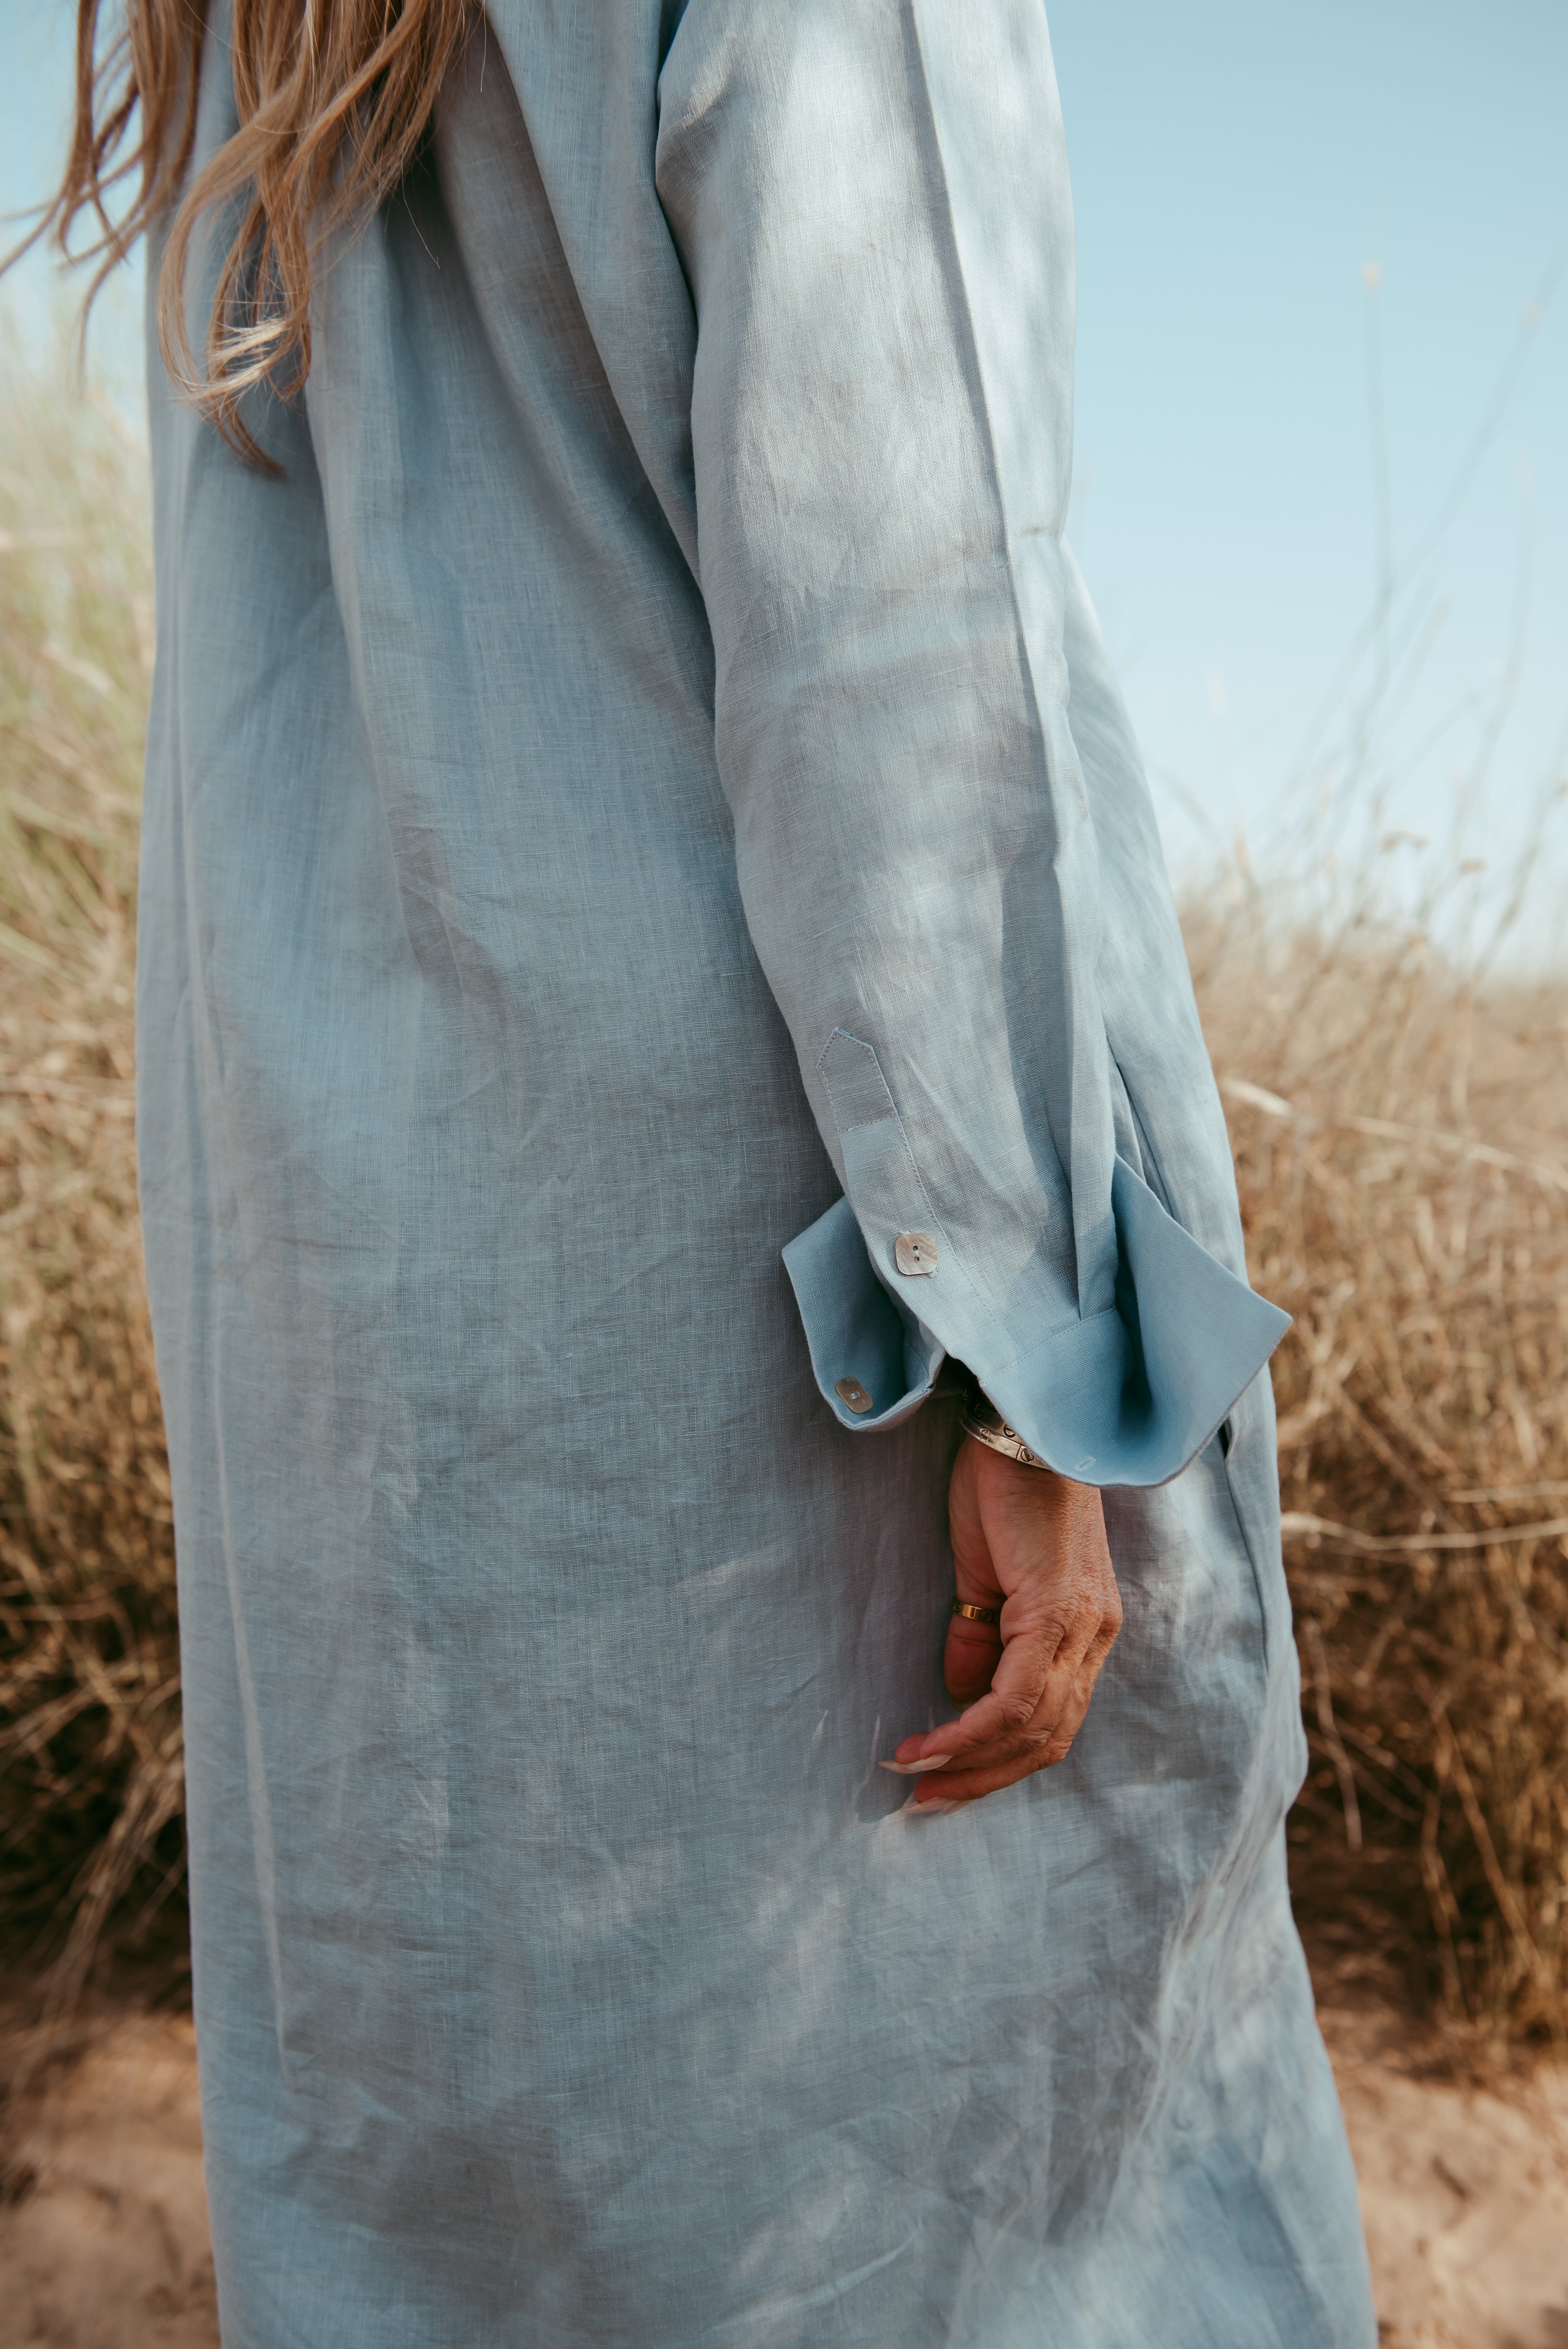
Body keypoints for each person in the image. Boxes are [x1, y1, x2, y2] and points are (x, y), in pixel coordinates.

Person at [32, 2, 1378, 2341]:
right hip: (792, 1303)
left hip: (358, 1287)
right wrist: (1038, 1345)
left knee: (465, 2209)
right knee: (981, 2208)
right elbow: (905, 618)